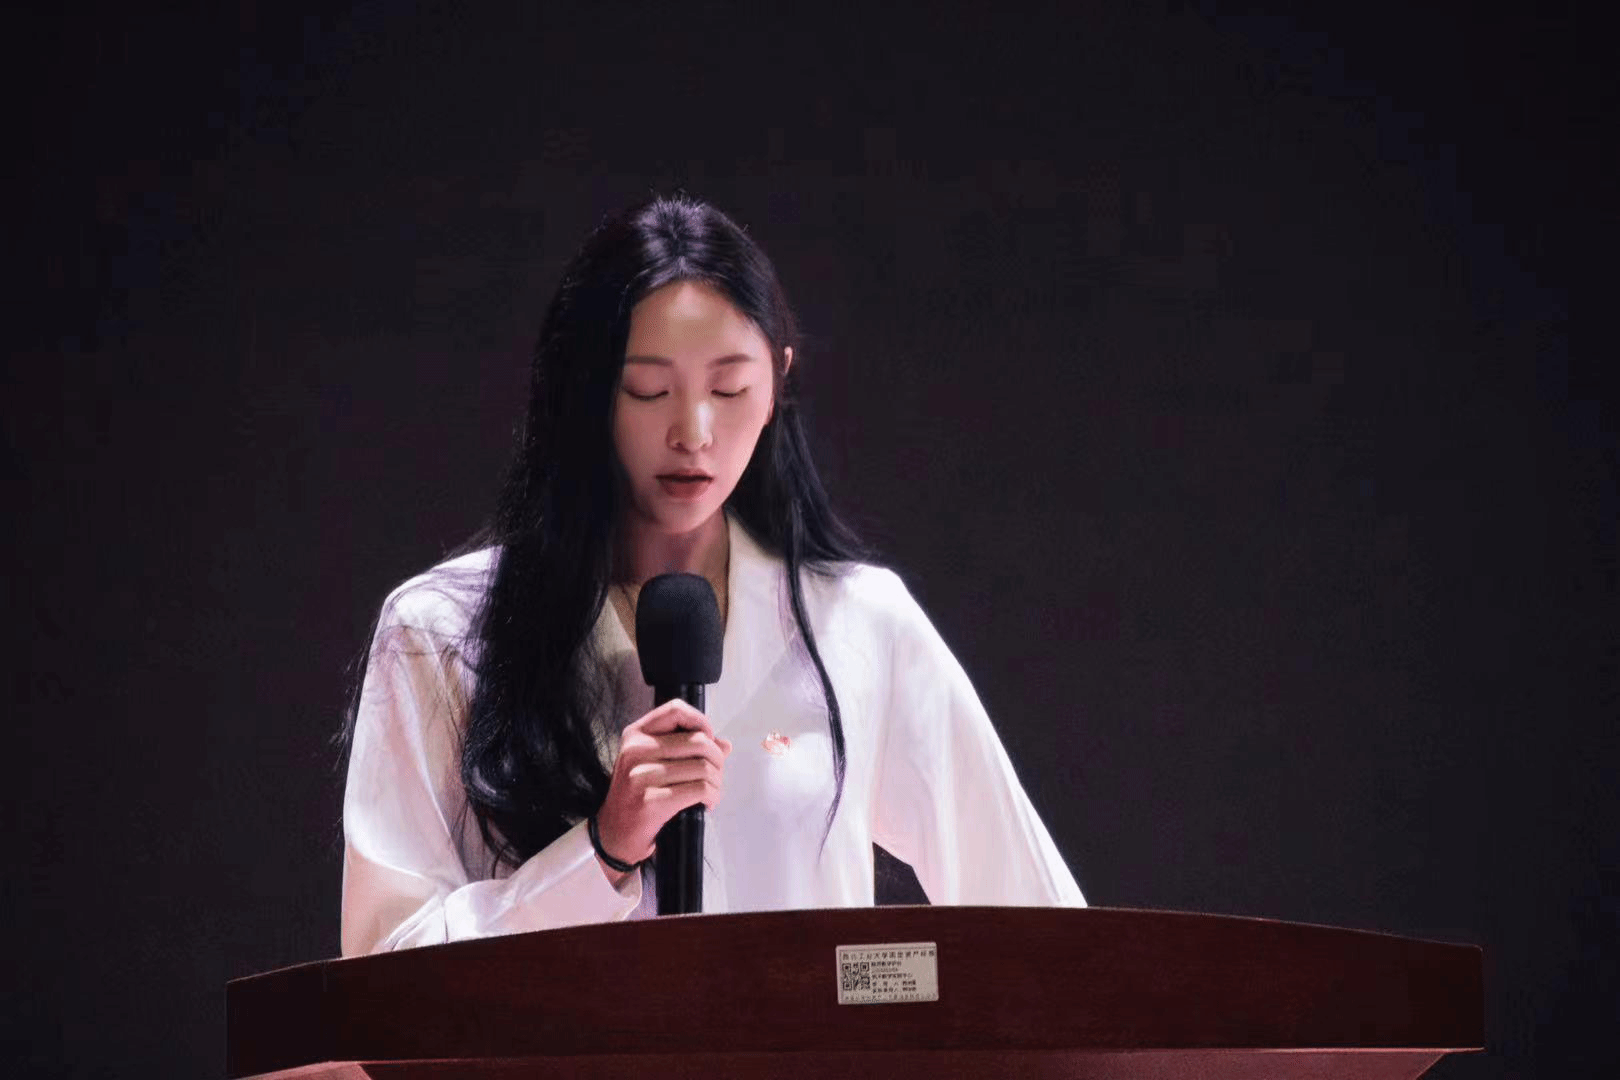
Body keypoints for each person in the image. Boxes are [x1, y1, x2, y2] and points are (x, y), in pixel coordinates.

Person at [340, 193, 1084, 956]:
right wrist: (600, 852)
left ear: (777, 383)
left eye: (729, 389)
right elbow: (383, 970)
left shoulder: (861, 624)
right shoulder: (442, 632)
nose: (693, 433)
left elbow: (1048, 931)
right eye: (648, 390)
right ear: (583, 389)